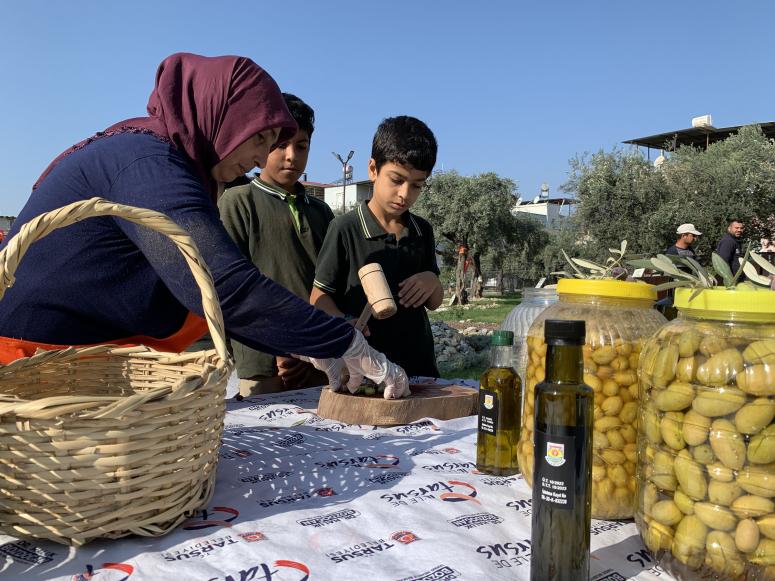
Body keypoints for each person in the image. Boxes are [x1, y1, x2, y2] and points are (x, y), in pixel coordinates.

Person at [0, 53, 409, 399]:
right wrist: (338, 340)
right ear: (222, 116)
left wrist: (302, 342)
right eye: (260, 138)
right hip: (35, 365)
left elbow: (213, 298)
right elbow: (220, 286)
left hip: (78, 362)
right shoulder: (148, 164)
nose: (261, 155)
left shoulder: (176, 165)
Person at [310, 116, 443, 378]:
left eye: (417, 185)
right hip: (365, 370)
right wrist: (343, 323)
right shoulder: (345, 229)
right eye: (397, 180)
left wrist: (432, 282)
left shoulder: (422, 230)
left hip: (419, 368)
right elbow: (318, 297)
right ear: (373, 169)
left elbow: (435, 302)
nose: (405, 194)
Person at [219, 93, 332, 396]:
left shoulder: (321, 212)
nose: (291, 155)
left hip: (318, 357)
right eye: (280, 145)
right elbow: (233, 290)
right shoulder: (238, 202)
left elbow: (330, 285)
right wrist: (281, 347)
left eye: (301, 146)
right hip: (262, 361)